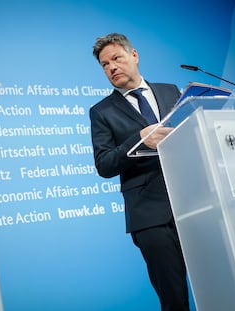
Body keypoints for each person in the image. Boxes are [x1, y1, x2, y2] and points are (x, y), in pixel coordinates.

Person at [89, 33, 190, 311]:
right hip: (150, 215)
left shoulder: (171, 91)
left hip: (195, 202)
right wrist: (139, 140)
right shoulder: (101, 112)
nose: (111, 67)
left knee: (218, 280)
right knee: (174, 299)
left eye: (116, 58)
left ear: (134, 55)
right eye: (104, 64)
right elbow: (104, 164)